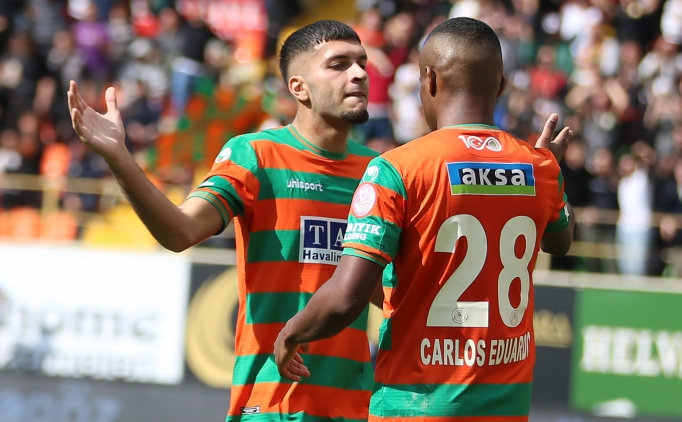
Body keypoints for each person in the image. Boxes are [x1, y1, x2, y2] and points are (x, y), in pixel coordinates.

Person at [69, 20, 380, 422]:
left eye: (362, 63)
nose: (359, 74)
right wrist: (119, 157)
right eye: (339, 64)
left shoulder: (378, 172)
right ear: (299, 87)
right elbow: (180, 231)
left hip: (355, 410)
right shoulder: (256, 155)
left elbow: (387, 290)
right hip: (271, 406)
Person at [274, 17, 575, 421]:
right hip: (507, 409)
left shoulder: (398, 168)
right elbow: (561, 241)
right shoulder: (539, 167)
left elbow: (345, 299)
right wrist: (550, 171)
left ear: (429, 80)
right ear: (502, 85)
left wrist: (291, 332)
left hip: (415, 405)